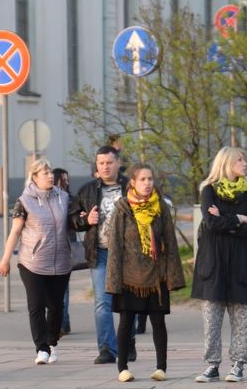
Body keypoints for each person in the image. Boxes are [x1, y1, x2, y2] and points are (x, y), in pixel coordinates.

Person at [106, 163, 185, 383]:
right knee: (126, 322)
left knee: (158, 322)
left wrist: (173, 277)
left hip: (155, 275)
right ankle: (123, 368)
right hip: (129, 277)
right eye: (142, 179)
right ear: (132, 182)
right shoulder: (123, 208)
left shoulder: (160, 207)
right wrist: (113, 281)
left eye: (150, 179)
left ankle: (161, 367)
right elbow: (114, 247)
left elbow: (170, 242)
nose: (147, 183)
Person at [191, 147, 247, 383]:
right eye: (240, 159)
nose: (245, 162)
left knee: (242, 317)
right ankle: (212, 365)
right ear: (227, 163)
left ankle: (239, 364)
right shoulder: (208, 191)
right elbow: (211, 223)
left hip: (240, 261)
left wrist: (225, 219)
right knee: (212, 318)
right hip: (214, 262)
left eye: (244, 159)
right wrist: (238, 219)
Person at [0, 158, 71, 365]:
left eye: (50, 172)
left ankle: (53, 342)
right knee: (36, 305)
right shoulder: (24, 201)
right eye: (45, 172)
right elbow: (15, 232)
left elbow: (73, 220)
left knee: (56, 306)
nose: (50, 176)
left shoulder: (63, 197)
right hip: (32, 262)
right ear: (35, 177)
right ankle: (42, 348)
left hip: (61, 261)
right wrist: (5, 260)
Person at [68, 145, 134, 365]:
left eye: (109, 162)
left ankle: (128, 343)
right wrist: (86, 221)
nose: (105, 167)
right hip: (100, 253)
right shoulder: (87, 190)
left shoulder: (131, 186)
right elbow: (73, 219)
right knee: (101, 302)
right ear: (96, 165)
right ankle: (106, 348)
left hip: (127, 254)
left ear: (118, 164)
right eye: (101, 163)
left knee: (127, 300)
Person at [52, 167, 73, 336]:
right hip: (51, 249)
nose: (66, 182)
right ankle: (61, 322)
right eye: (63, 179)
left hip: (66, 249)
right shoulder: (51, 198)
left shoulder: (68, 199)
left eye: (68, 179)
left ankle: (62, 323)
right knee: (55, 289)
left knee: (63, 288)